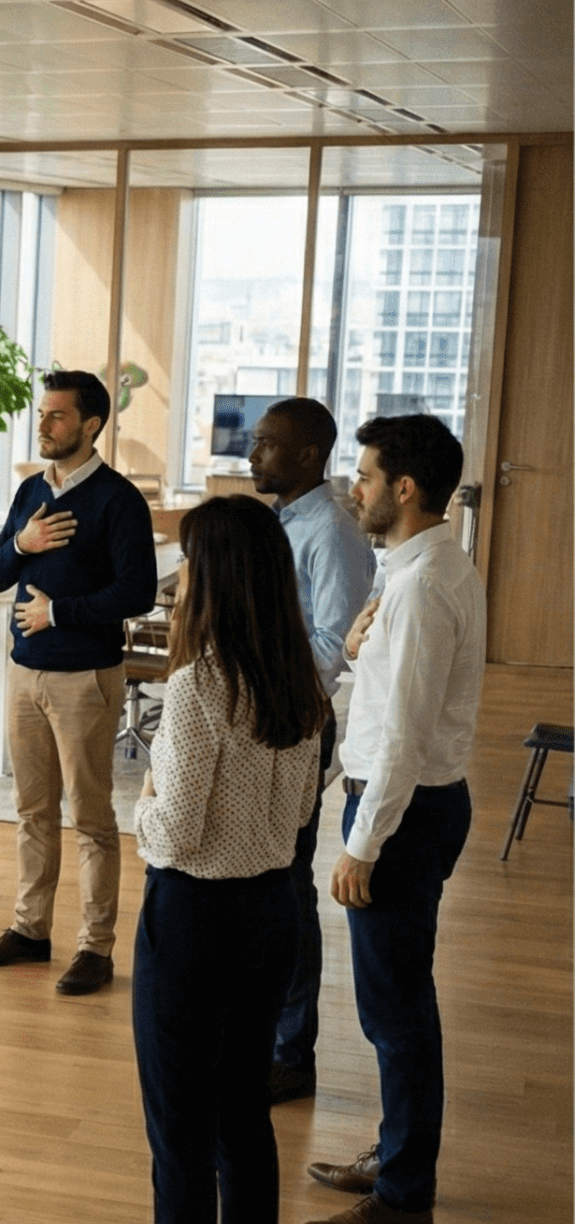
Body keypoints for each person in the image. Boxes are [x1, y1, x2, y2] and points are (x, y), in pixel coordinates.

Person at [84, 496, 326, 1224]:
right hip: (269, 915)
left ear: (215, 579)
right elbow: (300, 818)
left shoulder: (198, 686)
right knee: (241, 1115)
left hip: (192, 918)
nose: (179, 584)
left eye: (189, 567)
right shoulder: (301, 682)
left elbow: (175, 831)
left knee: (178, 1126)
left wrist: (140, 803)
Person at [303, 414, 484, 1224]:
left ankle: (406, 1193)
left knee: (396, 1010)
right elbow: (388, 701)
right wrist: (352, 643)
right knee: (397, 999)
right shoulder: (423, 565)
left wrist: (360, 844)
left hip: (402, 813)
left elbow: (405, 738)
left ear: (404, 489)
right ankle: (396, 1155)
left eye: (367, 477)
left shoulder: (418, 585)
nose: (355, 489)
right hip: (413, 801)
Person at [0, 369, 157, 995]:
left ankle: (95, 948)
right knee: (32, 811)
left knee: (94, 818)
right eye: (42, 414)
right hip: (23, 673)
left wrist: (59, 612)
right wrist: (22, 543)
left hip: (84, 678)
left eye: (56, 416)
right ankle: (30, 929)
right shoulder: (28, 493)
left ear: (91, 424)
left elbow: (137, 592)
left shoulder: (118, 500)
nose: (43, 425)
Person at [246, 399, 375, 1105]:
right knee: (260, 880)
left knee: (288, 887)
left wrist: (261, 673)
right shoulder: (279, 521)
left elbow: (334, 646)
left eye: (266, 445)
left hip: (292, 717)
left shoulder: (329, 532)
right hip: (262, 714)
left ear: (304, 457)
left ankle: (292, 1054)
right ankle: (264, 1036)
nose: (252, 455)